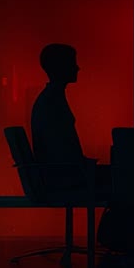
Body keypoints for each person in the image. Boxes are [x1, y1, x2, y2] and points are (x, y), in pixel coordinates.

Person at [30, 43, 111, 194]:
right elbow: (60, 147)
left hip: (62, 174)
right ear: (61, 67)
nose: (77, 68)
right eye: (72, 63)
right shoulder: (52, 101)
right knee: (126, 182)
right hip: (64, 177)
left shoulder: (49, 99)